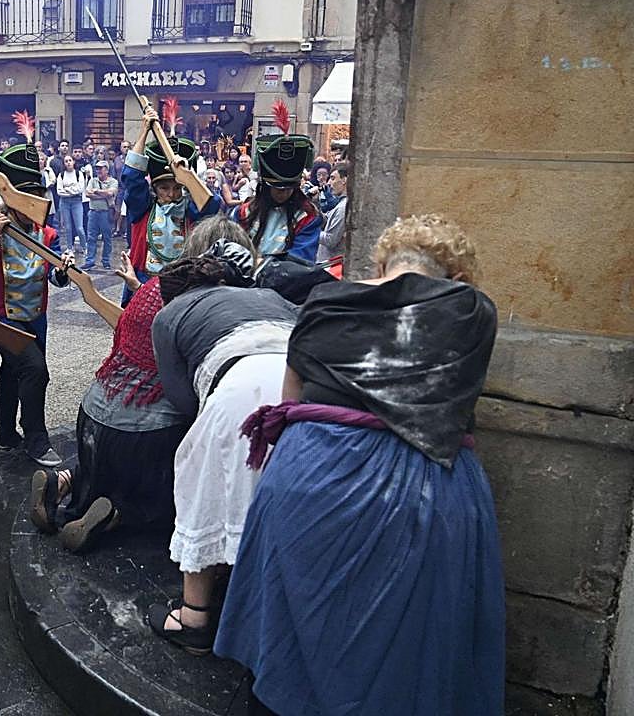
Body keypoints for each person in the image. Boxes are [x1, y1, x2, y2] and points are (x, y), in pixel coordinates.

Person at [215, 214, 504, 716]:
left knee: (293, 622)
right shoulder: (471, 309)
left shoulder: (324, 299)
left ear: (381, 262)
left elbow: (291, 400)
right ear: (456, 277)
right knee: (407, 643)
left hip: (310, 470)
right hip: (420, 487)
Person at [29, 216, 242, 554]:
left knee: (105, 459)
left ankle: (62, 483)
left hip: (93, 414)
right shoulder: (210, 302)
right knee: (170, 480)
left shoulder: (153, 286)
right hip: (146, 437)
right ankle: (118, 515)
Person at [143, 234, 299, 655]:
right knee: (288, 492)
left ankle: (194, 617)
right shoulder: (267, 295)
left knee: (204, 477)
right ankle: (284, 611)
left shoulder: (171, 313)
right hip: (305, 381)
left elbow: (182, 399)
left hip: (239, 382)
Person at [0, 135, 69, 467]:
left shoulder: (47, 234)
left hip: (33, 316)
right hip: (2, 316)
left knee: (13, 374)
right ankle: (37, 440)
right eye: (29, 195)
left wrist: (63, 271)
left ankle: (6, 436)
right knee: (36, 371)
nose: (36, 201)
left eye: (38, 194)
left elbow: (50, 275)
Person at [121, 105, 220, 304]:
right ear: (155, 188)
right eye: (164, 188)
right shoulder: (143, 208)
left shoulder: (191, 209)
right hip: (144, 279)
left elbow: (212, 206)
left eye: (177, 187)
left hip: (182, 286)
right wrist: (144, 131)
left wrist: (187, 176)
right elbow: (131, 177)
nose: (172, 194)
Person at [231, 113, 320, 263]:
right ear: (265, 186)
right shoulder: (243, 212)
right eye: (278, 188)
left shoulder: (307, 217)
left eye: (289, 188)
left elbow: (301, 262)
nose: (283, 193)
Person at [82, 160, 118, 269]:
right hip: (93, 212)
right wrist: (103, 195)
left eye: (100, 168)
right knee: (91, 237)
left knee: (107, 238)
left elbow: (110, 193)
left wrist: (96, 191)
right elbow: (87, 193)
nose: (98, 170)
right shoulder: (93, 180)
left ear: (106, 170)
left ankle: (106, 260)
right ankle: (90, 260)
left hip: (106, 213)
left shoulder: (113, 181)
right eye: (97, 168)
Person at [317, 160, 350, 264]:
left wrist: (310, 232)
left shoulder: (343, 207)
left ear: (344, 180)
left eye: (333, 178)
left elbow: (331, 240)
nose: (329, 183)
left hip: (330, 266)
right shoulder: (340, 204)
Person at [55, 154, 86, 253]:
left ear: (73, 162)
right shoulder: (61, 175)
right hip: (64, 203)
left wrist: (67, 189)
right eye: (66, 161)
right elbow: (59, 191)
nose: (68, 163)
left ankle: (84, 247)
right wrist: (73, 189)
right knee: (68, 227)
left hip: (77, 202)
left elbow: (80, 189)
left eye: (70, 160)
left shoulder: (79, 174)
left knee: (79, 227)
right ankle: (69, 247)